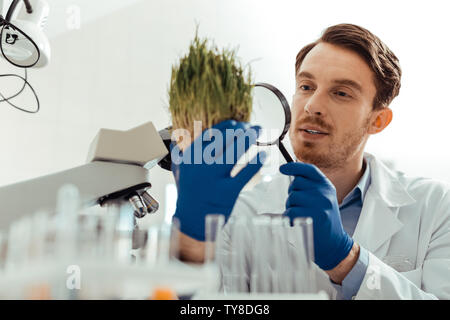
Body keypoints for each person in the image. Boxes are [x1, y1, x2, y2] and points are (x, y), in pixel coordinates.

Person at [170, 23, 450, 299]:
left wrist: (346, 259)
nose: (312, 105)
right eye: (306, 86)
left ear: (378, 120)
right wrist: (191, 240)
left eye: (341, 93)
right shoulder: (241, 214)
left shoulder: (437, 207)